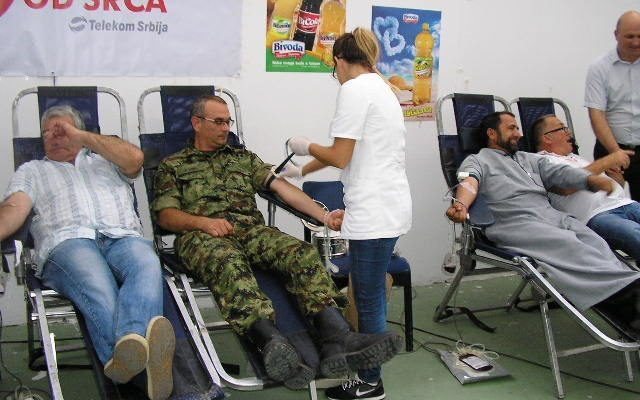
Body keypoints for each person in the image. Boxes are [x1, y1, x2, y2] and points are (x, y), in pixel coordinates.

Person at [151, 94, 402, 391]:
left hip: (250, 232)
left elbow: (282, 188)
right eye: (218, 122)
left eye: (228, 121)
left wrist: (324, 216)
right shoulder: (174, 165)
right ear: (196, 123)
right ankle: (270, 341)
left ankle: (337, 338)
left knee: (301, 253)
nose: (225, 128)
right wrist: (203, 223)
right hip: (200, 236)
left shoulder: (243, 158)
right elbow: (165, 216)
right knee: (229, 263)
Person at [0, 105, 175, 400]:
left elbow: (135, 159)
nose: (54, 136)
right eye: (47, 132)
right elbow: (13, 209)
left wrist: (80, 136)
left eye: (62, 130)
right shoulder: (33, 171)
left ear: (80, 132)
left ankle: (130, 350)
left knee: (147, 263)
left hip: (122, 236)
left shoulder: (106, 161)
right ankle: (138, 363)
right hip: (69, 243)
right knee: (97, 283)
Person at [286, 27, 412, 400]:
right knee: (368, 291)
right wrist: (301, 171)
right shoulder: (382, 88)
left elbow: (339, 155)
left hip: (375, 210)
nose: (336, 76)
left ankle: (370, 383)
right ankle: (367, 374)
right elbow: (353, 153)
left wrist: (305, 145)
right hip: (386, 204)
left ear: (339, 60)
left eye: (334, 69)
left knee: (368, 298)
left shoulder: (355, 89)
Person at [446, 111, 640, 338]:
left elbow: (561, 173)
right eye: (511, 128)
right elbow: (468, 181)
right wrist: (461, 204)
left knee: (595, 242)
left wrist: (590, 180)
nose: (518, 133)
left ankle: (629, 289)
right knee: (570, 245)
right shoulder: (478, 160)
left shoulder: (530, 159)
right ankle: (627, 303)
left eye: (517, 128)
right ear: (491, 133)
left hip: (551, 217)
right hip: (514, 221)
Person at [534, 114, 640, 262]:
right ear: (547, 138)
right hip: (596, 216)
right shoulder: (541, 162)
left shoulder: (577, 159)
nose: (569, 132)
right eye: (562, 128)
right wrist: (607, 160)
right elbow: (565, 187)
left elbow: (614, 189)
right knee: (636, 234)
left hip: (625, 204)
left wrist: (615, 177)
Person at [586, 10, 640, 200]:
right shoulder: (599, 68)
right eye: (630, 36)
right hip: (609, 149)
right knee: (610, 206)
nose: (636, 42)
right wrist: (615, 153)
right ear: (616, 34)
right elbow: (596, 114)